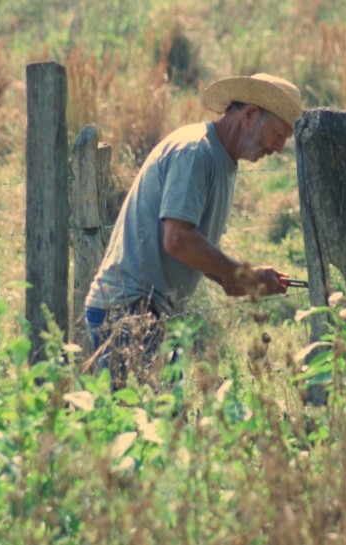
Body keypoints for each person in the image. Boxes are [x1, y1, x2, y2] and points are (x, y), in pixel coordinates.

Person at [84, 73, 303, 386]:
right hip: (127, 312)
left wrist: (225, 277)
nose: (279, 148)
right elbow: (178, 240)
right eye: (278, 134)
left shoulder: (222, 161)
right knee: (147, 426)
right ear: (250, 114)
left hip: (150, 314)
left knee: (160, 425)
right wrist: (243, 274)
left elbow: (188, 243)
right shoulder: (195, 152)